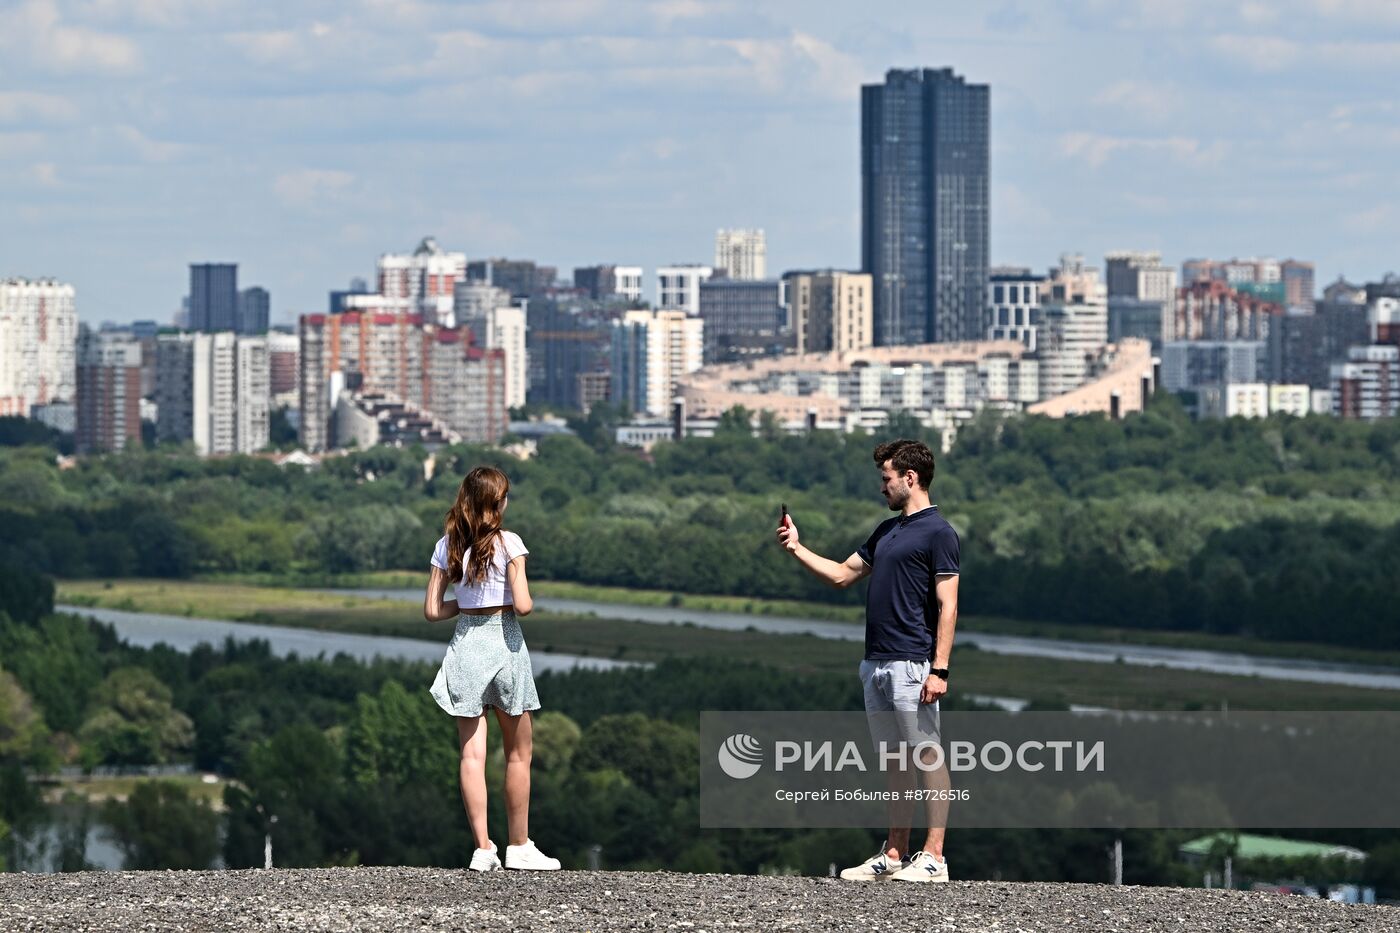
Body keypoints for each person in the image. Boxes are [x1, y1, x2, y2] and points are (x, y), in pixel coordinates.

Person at [776, 438, 959, 883]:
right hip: (875, 663)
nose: (882, 486)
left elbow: (948, 606)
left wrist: (939, 669)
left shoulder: (940, 533)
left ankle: (934, 858)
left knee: (928, 755)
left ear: (909, 478)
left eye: (887, 478)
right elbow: (842, 574)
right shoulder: (886, 530)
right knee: (895, 761)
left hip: (913, 662)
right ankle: (894, 854)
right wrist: (797, 548)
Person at [423, 466, 560, 873]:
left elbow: (432, 610)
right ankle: (519, 845)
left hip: (465, 646)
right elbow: (523, 606)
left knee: (471, 755)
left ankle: (483, 849)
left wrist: (466, 607)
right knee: (518, 754)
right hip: (504, 646)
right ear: (496, 502)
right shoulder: (510, 543)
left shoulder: (447, 544)